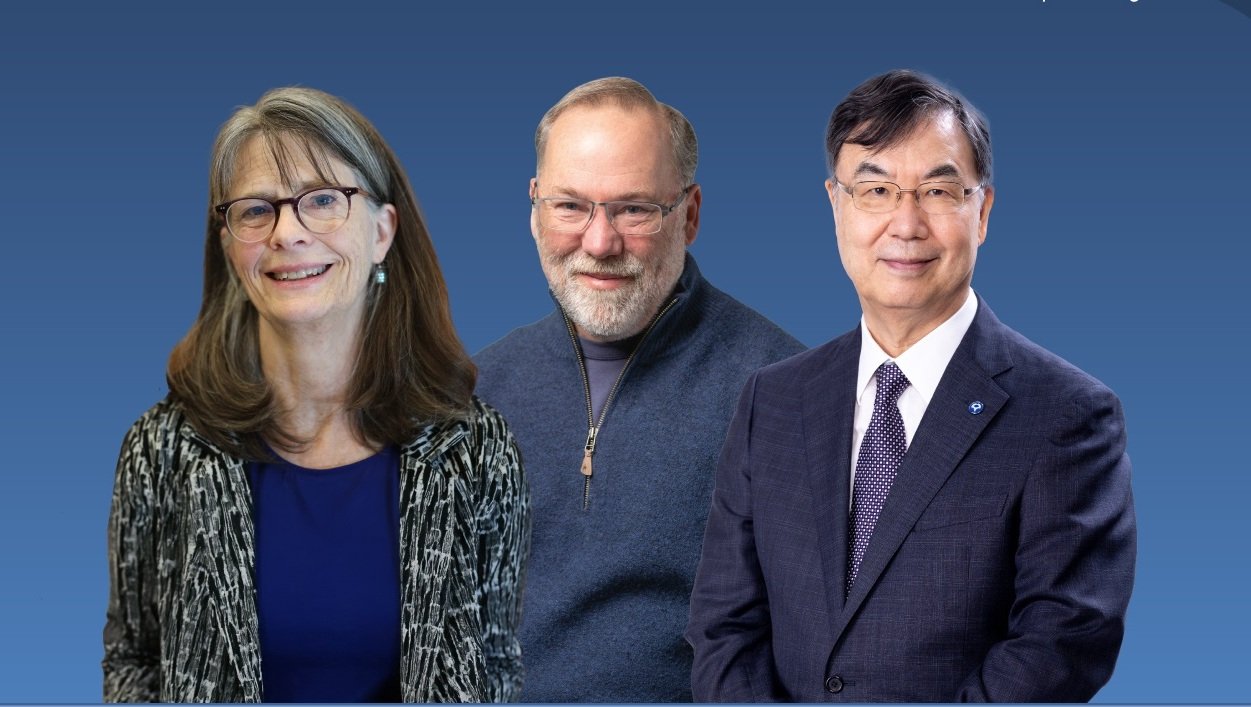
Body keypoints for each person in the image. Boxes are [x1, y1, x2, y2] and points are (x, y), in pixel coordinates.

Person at [686, 70, 1137, 702]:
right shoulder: (774, 400)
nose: (906, 224)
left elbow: (1062, 643)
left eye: (937, 191)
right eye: (875, 190)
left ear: (982, 212)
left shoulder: (1067, 415)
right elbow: (723, 627)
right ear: (836, 205)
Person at [102, 87, 529, 703]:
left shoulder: (478, 450)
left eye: (323, 200)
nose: (287, 233)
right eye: (256, 210)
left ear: (382, 232)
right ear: (228, 246)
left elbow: (495, 665)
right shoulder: (161, 449)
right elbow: (133, 662)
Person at [474, 77, 804, 702]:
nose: (600, 242)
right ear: (534, 208)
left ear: (690, 215)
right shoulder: (475, 391)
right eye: (570, 206)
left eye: (634, 209)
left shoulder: (787, 392)